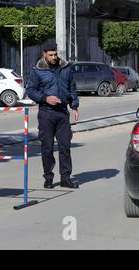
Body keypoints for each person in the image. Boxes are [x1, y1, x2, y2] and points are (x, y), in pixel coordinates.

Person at [27, 43, 79, 189]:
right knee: (47, 148)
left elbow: (71, 87)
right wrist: (45, 98)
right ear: (44, 54)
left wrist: (74, 106)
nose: (54, 57)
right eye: (51, 55)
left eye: (55, 54)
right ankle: (48, 178)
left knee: (65, 146)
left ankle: (66, 178)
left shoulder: (66, 68)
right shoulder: (38, 70)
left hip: (63, 113)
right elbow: (30, 90)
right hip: (46, 114)